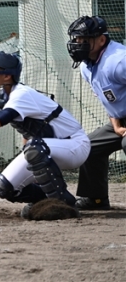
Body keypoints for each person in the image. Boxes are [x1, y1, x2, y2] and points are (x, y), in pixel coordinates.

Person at [0, 47, 90, 219]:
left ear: (7, 76)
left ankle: (63, 205)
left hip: (74, 145)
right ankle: (45, 202)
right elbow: (28, 133)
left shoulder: (21, 94)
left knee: (34, 148)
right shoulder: (5, 97)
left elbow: (0, 119)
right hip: (48, 147)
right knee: (4, 187)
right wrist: (34, 166)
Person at [67, 15, 126, 210]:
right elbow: (109, 99)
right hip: (121, 120)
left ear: (101, 40)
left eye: (84, 39)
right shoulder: (86, 66)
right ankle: (96, 199)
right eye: (77, 39)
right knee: (88, 147)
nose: (78, 43)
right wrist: (116, 125)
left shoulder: (119, 60)